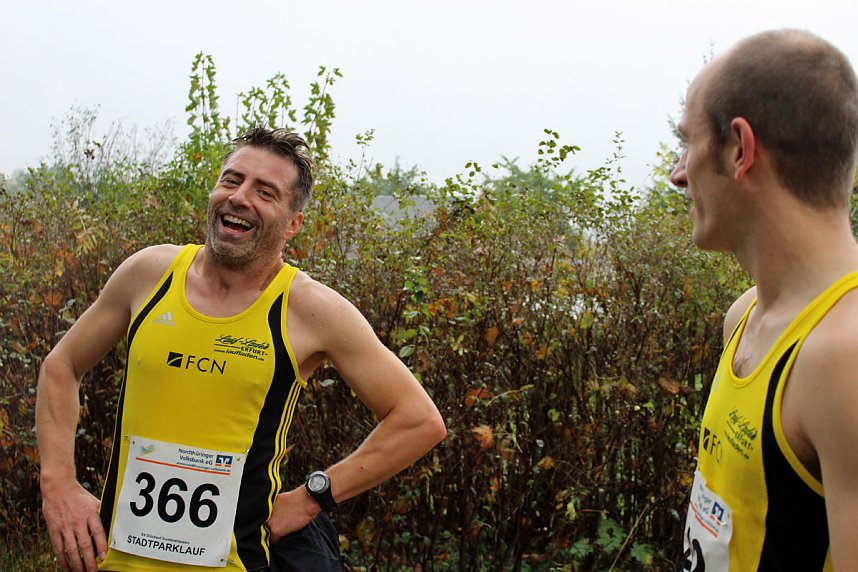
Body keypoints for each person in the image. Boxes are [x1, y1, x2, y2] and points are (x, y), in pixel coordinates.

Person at [35, 126, 447, 572]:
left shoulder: (309, 309)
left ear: (292, 224)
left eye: (265, 192)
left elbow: (418, 420)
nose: (239, 197)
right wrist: (58, 482)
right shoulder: (149, 274)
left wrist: (313, 497)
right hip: (114, 561)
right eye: (232, 180)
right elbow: (62, 367)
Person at [672, 29, 858, 570]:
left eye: (689, 142)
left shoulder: (842, 359)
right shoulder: (745, 316)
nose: (678, 173)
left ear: (738, 149)